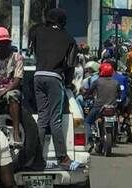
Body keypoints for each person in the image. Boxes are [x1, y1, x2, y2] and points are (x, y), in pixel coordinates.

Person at [30, 8, 80, 170]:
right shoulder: (69, 38)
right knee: (55, 119)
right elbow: (71, 64)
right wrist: (68, 82)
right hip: (54, 78)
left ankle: (35, 157)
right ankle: (63, 158)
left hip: (37, 76)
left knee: (42, 118)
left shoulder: (38, 31)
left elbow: (34, 51)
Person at [0, 27, 24, 145]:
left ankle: (16, 132)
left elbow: (17, 81)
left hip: (11, 89)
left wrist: (1, 94)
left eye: (2, 43)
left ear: (7, 43)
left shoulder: (16, 57)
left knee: (13, 95)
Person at [84, 62, 120, 149]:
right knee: (117, 120)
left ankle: (90, 141)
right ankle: (116, 134)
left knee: (87, 122)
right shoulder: (116, 82)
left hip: (99, 106)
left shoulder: (97, 81)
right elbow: (119, 94)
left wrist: (86, 96)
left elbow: (89, 92)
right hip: (112, 107)